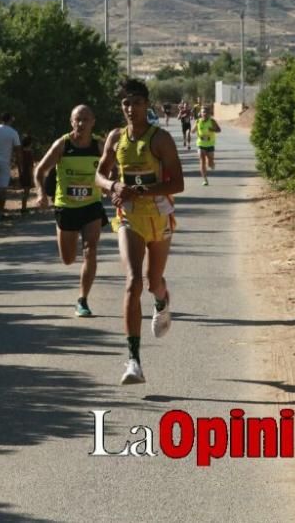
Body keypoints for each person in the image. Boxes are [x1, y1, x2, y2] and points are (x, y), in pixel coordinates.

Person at [96, 80, 184, 384]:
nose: (130, 109)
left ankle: (162, 300)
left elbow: (178, 184)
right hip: (129, 218)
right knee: (133, 282)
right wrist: (113, 186)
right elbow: (100, 175)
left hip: (159, 217)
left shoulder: (160, 140)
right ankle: (133, 361)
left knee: (152, 281)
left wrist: (139, 189)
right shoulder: (116, 137)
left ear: (147, 104)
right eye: (125, 104)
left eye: (135, 102)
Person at [35, 105, 108, 319]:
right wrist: (41, 194)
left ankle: (82, 299)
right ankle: (68, 240)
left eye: (86, 119)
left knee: (90, 250)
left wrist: (108, 184)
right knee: (68, 259)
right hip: (66, 207)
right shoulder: (63, 144)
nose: (81, 124)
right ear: (71, 121)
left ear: (93, 122)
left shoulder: (99, 146)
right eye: (78, 119)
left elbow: (113, 168)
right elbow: (40, 170)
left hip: (91, 205)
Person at [191, 105, 222, 186]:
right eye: (203, 112)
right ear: (200, 113)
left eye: (206, 112)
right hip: (200, 144)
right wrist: (194, 129)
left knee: (210, 163)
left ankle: (211, 163)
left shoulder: (212, 121)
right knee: (202, 161)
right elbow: (192, 131)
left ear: (209, 113)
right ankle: (205, 180)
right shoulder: (198, 121)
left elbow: (219, 130)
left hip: (210, 144)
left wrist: (212, 129)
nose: (204, 113)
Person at [18, 135, 35, 214]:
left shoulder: (21, 153)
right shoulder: (29, 153)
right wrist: (32, 178)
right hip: (27, 174)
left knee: (25, 191)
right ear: (30, 143)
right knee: (26, 192)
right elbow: (30, 167)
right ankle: (23, 208)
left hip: (22, 173)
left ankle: (24, 207)